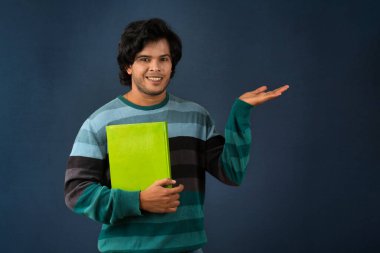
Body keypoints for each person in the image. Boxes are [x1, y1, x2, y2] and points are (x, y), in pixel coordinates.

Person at [64, 18, 289, 253]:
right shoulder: (99, 122)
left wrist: (240, 112)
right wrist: (138, 200)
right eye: (144, 59)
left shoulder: (195, 116)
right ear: (128, 66)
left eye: (164, 59)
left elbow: (231, 173)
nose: (156, 67)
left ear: (172, 65)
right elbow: (76, 192)